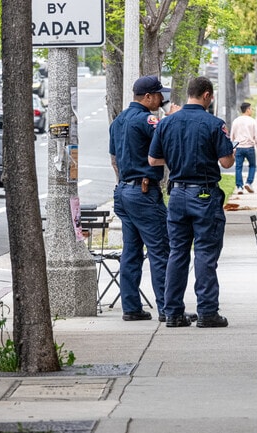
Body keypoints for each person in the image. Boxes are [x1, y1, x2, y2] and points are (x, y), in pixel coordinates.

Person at [148, 76, 235, 328]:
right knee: (205, 253)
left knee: (177, 252)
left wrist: (179, 158)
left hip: (177, 194)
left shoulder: (166, 124)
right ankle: (207, 311)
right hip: (204, 195)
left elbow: (153, 160)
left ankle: (172, 312)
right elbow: (227, 162)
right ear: (206, 95)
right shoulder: (214, 124)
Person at [109, 75, 190, 322]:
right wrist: (175, 117)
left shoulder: (118, 121)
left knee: (131, 252)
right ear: (147, 97)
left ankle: (131, 307)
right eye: (158, 95)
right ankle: (168, 308)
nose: (161, 99)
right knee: (160, 250)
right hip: (144, 193)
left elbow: (114, 158)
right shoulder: (147, 119)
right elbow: (167, 138)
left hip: (123, 191)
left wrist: (127, 180)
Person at [230, 102, 257, 194]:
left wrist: (231, 148)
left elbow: (232, 136)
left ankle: (239, 186)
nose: (251, 111)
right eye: (251, 109)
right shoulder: (252, 121)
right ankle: (249, 182)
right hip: (249, 147)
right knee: (252, 165)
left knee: (238, 167)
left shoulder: (236, 121)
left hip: (239, 148)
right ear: (247, 109)